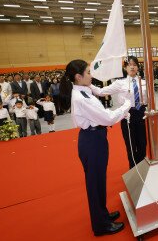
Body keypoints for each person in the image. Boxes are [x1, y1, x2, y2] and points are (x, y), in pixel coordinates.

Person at [59, 59, 131, 236]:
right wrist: (127, 105)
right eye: (89, 72)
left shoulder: (85, 91)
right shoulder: (81, 97)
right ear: (78, 76)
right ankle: (101, 225)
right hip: (92, 140)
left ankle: (102, 214)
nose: (92, 75)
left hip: (95, 137)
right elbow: (107, 118)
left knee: (99, 181)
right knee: (94, 183)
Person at [94, 56, 147, 169]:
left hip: (142, 114)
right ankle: (134, 170)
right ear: (125, 67)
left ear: (138, 67)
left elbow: (150, 100)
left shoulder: (144, 82)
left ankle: (143, 169)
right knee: (131, 145)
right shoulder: (120, 83)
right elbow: (102, 91)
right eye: (129, 65)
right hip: (127, 115)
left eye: (134, 64)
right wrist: (87, 86)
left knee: (143, 144)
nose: (132, 67)